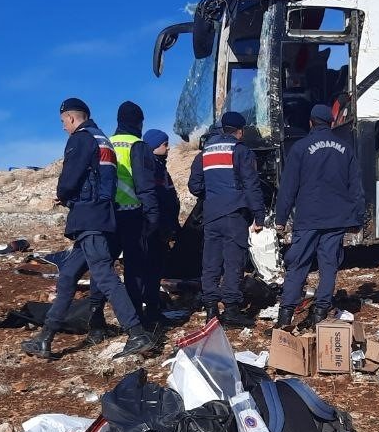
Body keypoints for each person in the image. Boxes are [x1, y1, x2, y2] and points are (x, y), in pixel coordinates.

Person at [21, 98, 154, 360]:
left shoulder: (81, 139)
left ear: (71, 118)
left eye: (63, 122)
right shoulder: (102, 138)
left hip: (89, 217)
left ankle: (136, 333)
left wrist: (63, 195)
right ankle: (45, 337)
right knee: (69, 274)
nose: (63, 128)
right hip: (102, 215)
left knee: (104, 275)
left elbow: (71, 177)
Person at [274, 103, 365, 330]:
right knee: (328, 265)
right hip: (336, 219)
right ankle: (319, 315)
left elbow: (288, 187)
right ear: (332, 123)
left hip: (308, 218)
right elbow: (356, 187)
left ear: (311, 122)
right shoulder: (345, 149)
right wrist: (357, 218)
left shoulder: (300, 148)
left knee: (298, 265)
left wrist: (281, 218)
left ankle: (285, 319)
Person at [188, 111, 264, 328]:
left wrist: (212, 194)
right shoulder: (240, 151)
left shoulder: (205, 153)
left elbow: (194, 185)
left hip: (211, 214)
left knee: (210, 262)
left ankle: (211, 309)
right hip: (234, 214)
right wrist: (259, 216)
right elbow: (251, 185)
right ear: (239, 131)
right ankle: (231, 309)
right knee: (233, 262)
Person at [94, 101, 158, 330]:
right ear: (139, 123)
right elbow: (145, 186)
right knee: (134, 269)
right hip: (132, 215)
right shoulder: (137, 146)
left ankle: (96, 319)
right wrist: (152, 217)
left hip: (107, 216)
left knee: (103, 268)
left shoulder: (106, 143)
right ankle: (135, 318)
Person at [139, 128, 181, 327]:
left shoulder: (159, 166)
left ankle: (153, 307)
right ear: (155, 145)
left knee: (155, 270)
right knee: (151, 269)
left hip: (160, 227)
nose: (168, 147)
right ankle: (150, 311)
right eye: (165, 144)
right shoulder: (152, 168)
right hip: (154, 228)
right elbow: (160, 200)